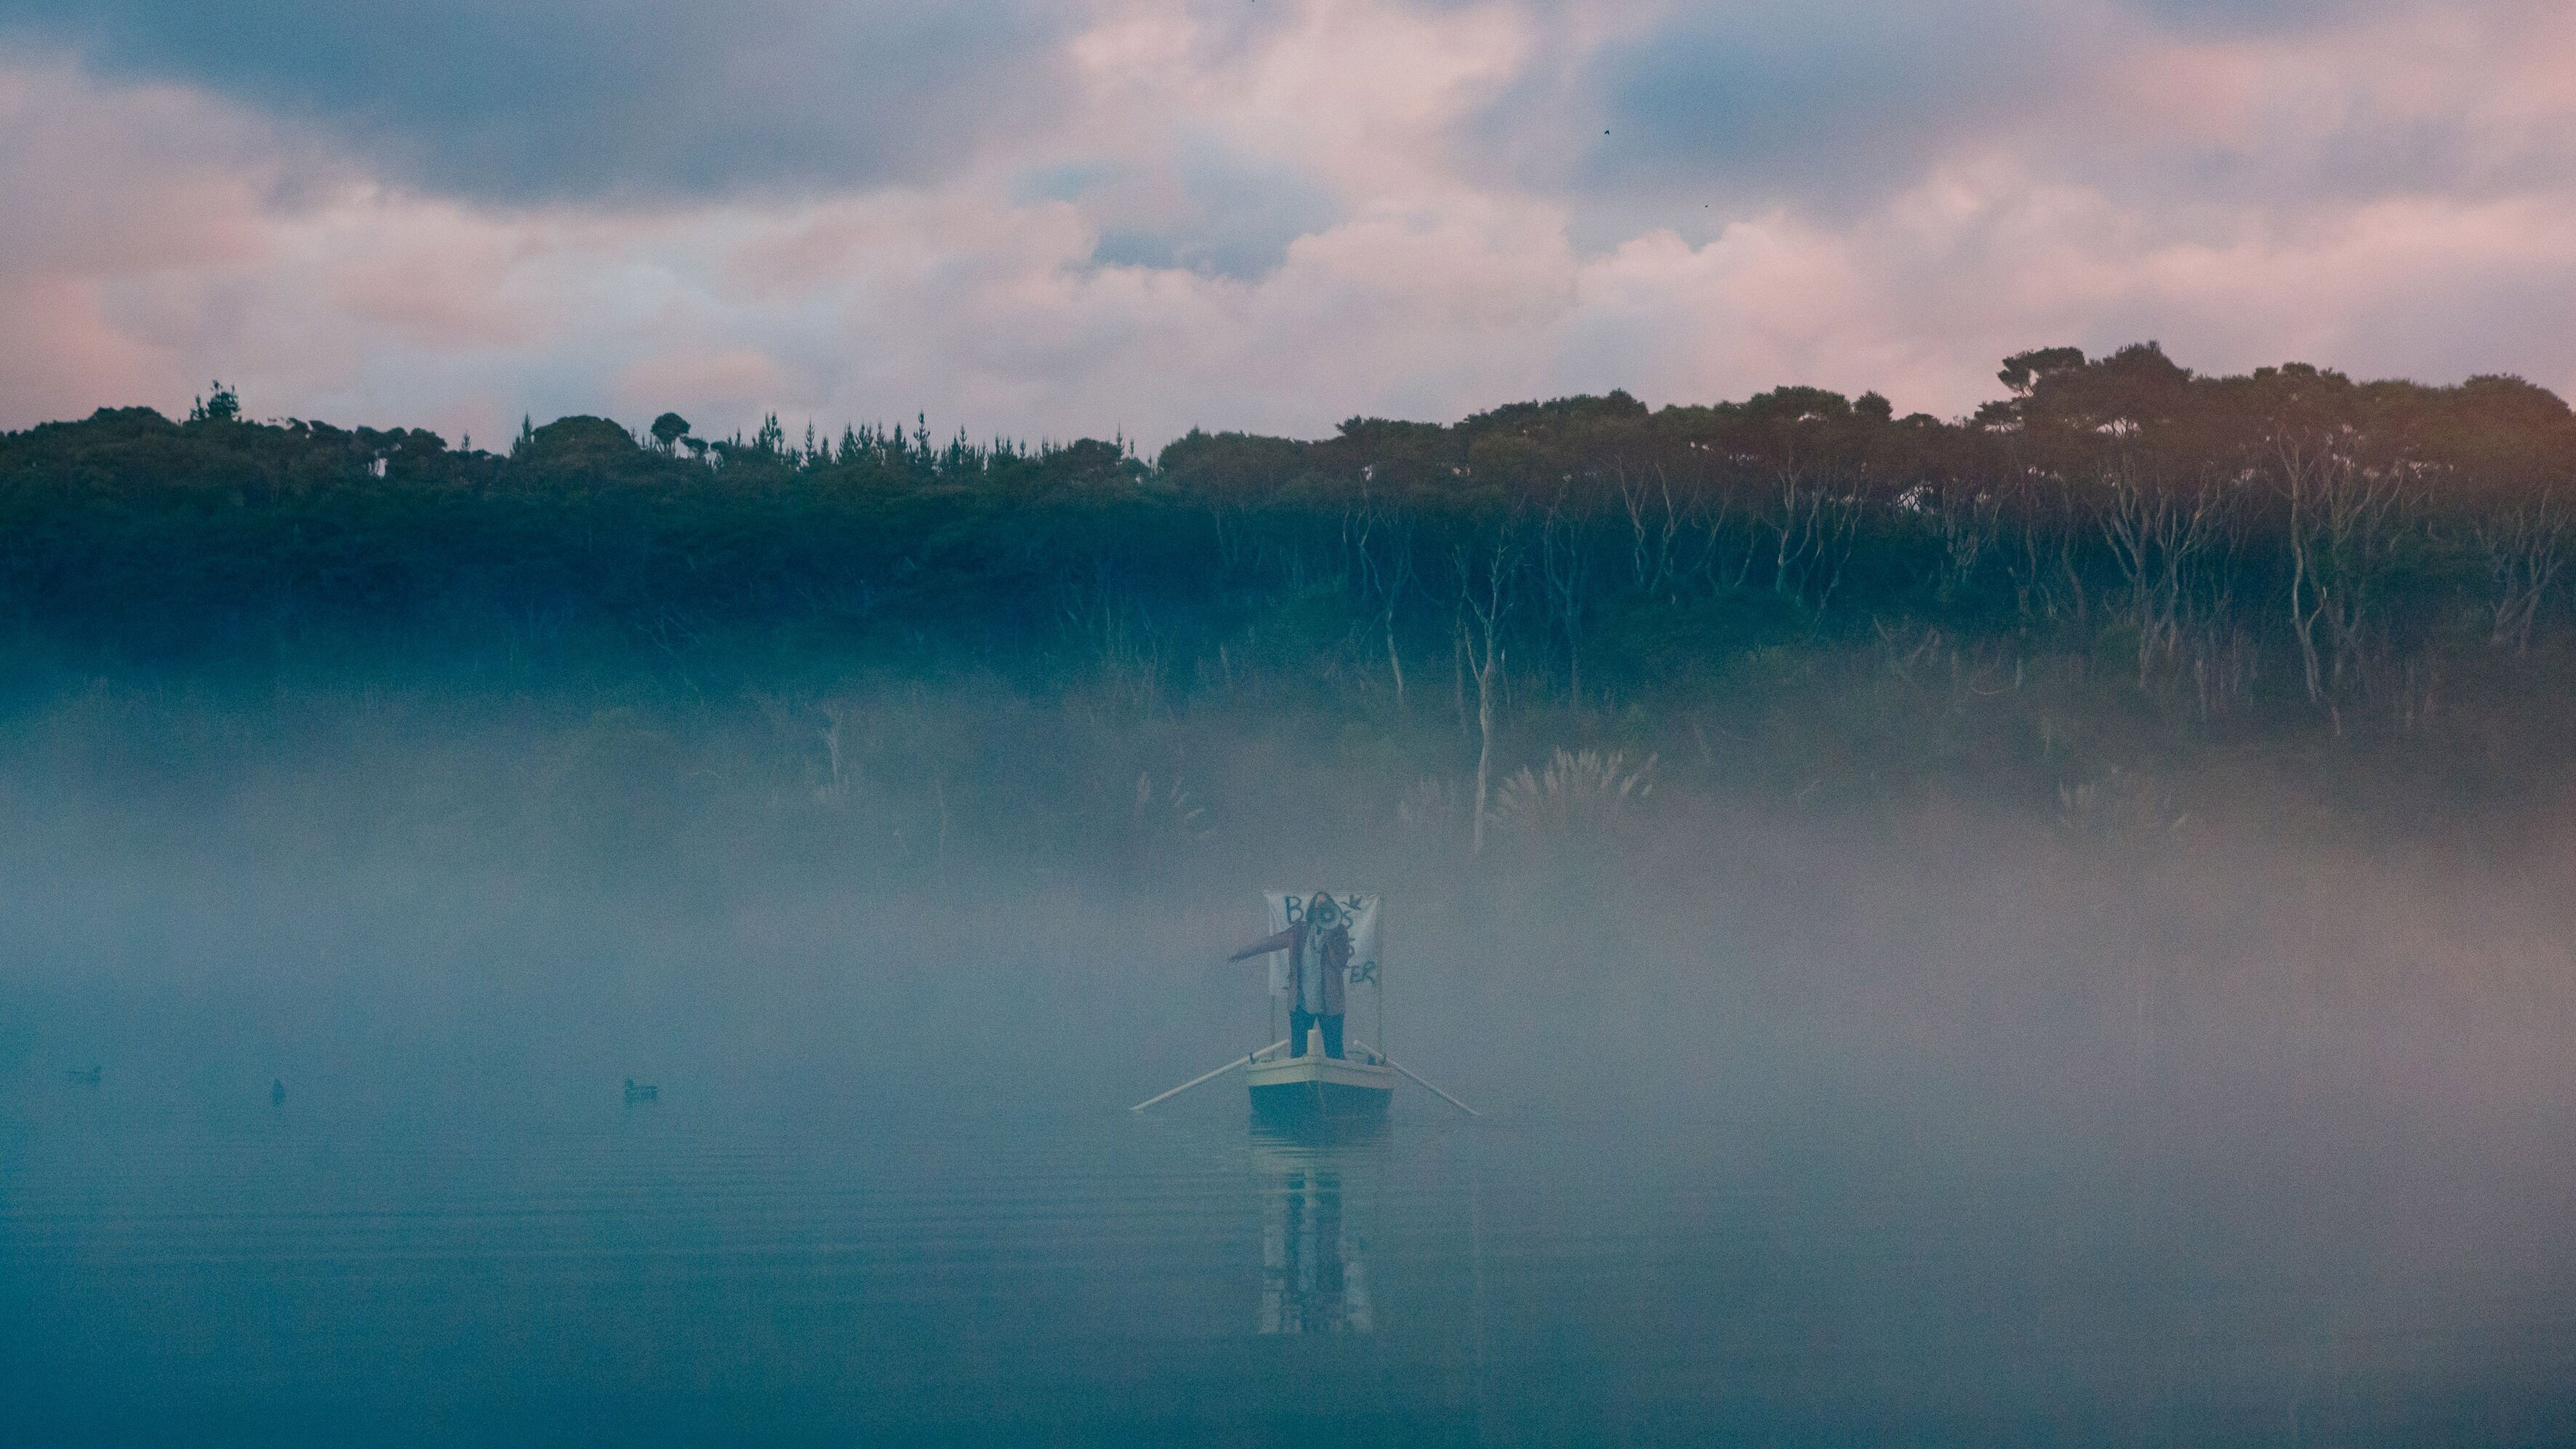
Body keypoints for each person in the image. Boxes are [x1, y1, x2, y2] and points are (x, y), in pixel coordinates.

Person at [1229, 893, 1352, 1058]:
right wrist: (1242, 953)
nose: (1321, 910)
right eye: (1318, 906)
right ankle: (1300, 1084)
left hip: (1330, 1004)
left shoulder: (1339, 933)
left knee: (1335, 1052)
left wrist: (1329, 938)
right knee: (1298, 1052)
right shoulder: (1299, 931)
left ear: (1332, 908)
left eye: (1325, 906)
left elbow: (1340, 964)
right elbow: (1271, 942)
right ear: (1312, 910)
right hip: (1301, 1003)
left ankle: (1337, 1083)